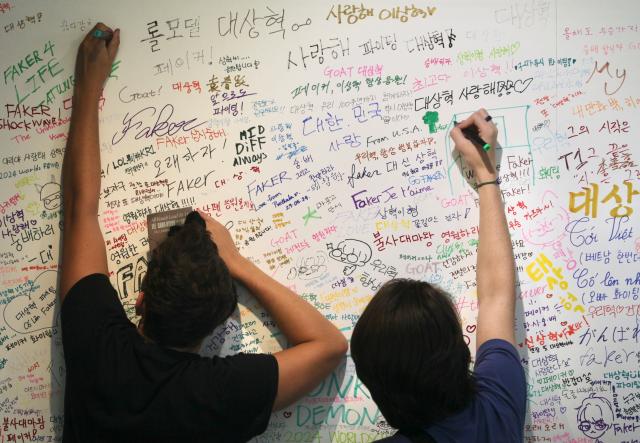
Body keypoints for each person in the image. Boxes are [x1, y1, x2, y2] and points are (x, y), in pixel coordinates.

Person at [60, 23, 347, 442]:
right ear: (215, 325)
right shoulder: (222, 393)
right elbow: (330, 346)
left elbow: (79, 209)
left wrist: (88, 86)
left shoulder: (98, 346)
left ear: (140, 300)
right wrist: (237, 263)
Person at [350, 109, 526, 442]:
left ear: (372, 385)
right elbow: (496, 296)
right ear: (461, 353)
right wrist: (485, 173)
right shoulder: (496, 410)